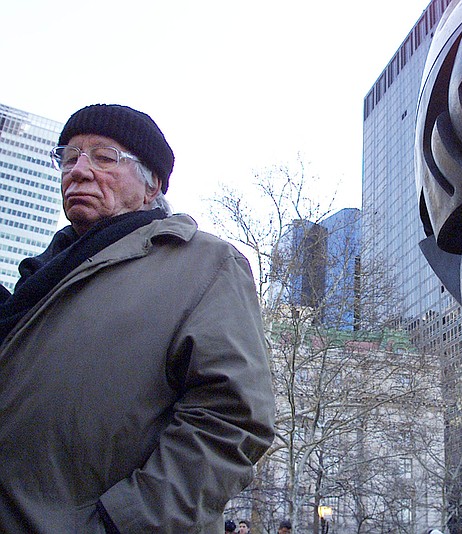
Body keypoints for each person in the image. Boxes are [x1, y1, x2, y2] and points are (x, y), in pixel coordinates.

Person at [0, 104, 275, 532]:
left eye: (104, 157)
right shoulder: (39, 278)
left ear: (152, 186)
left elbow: (232, 419)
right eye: (69, 158)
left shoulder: (205, 264)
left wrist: (120, 525)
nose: (79, 170)